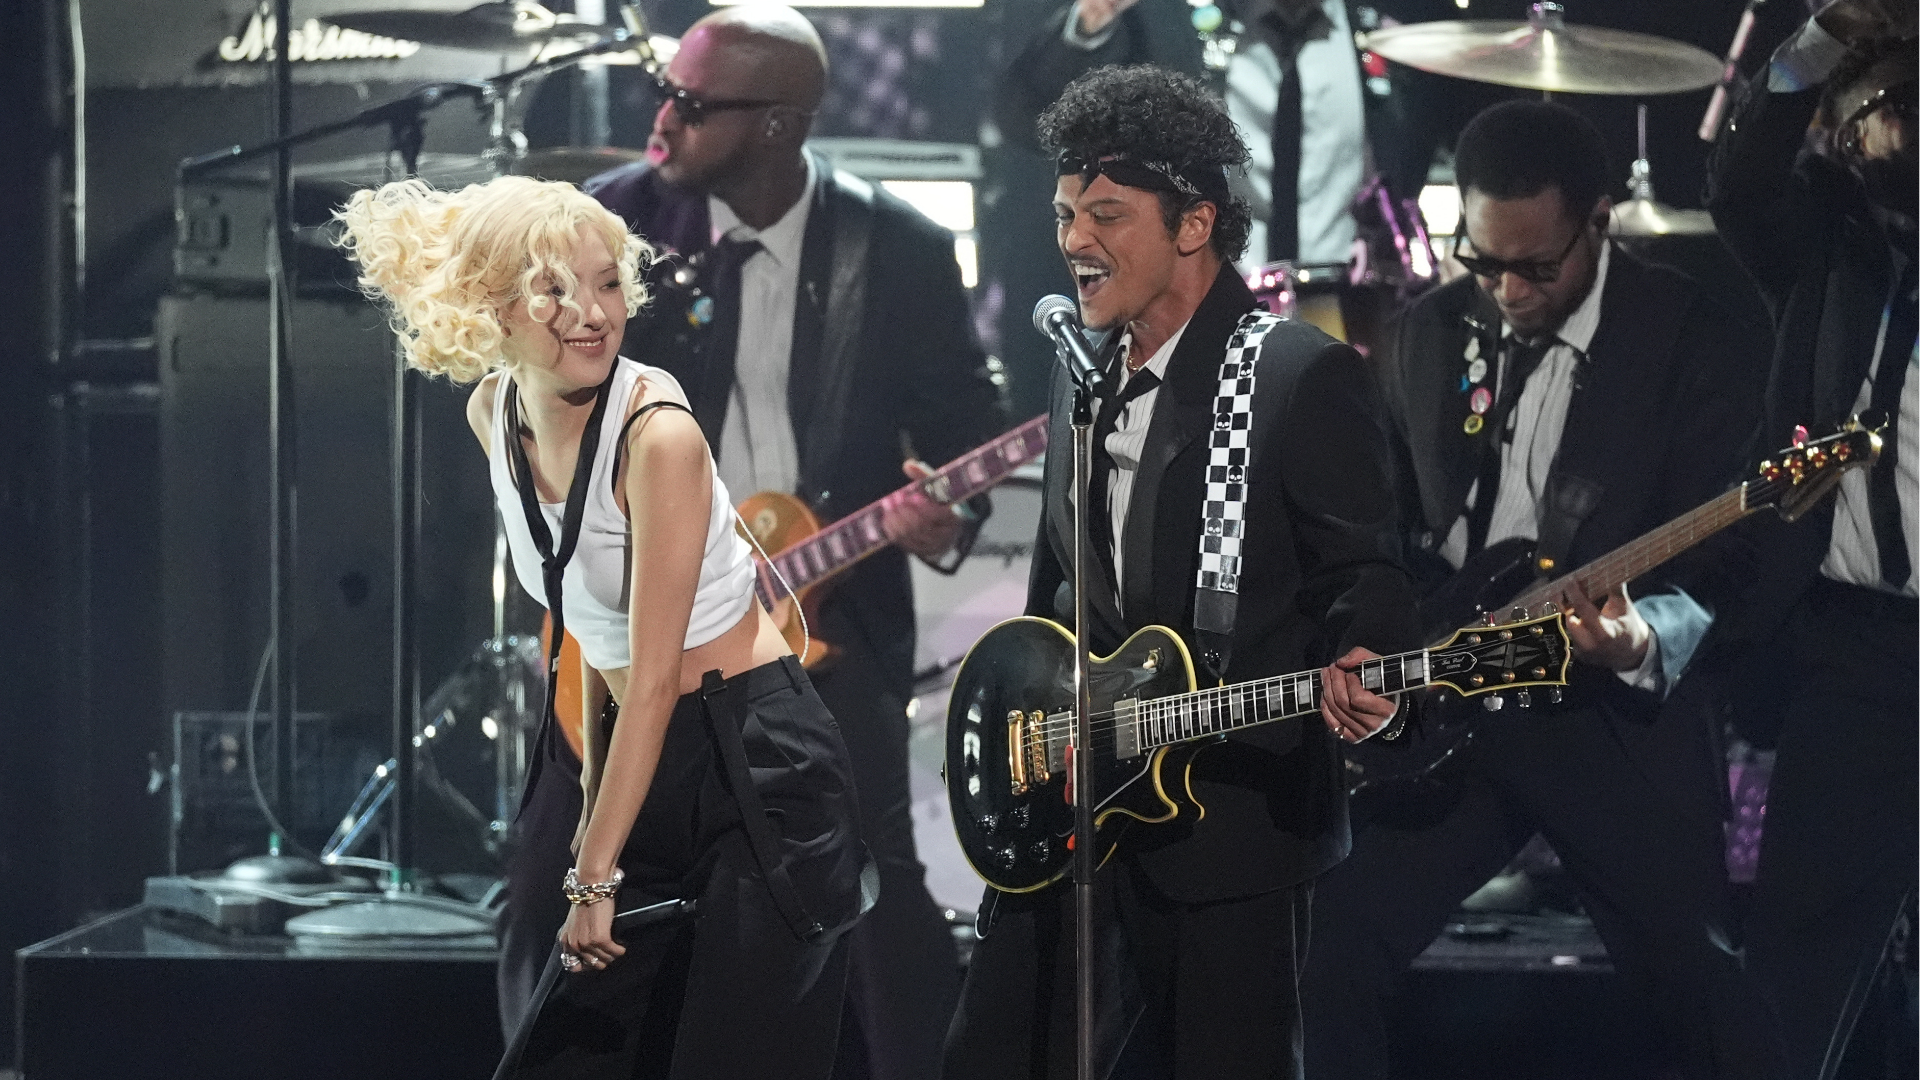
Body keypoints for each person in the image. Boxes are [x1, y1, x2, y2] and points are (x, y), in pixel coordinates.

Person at [944, 64, 1420, 1080]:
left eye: (1107, 216)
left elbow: (1367, 571)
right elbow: (1059, 589)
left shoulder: (1294, 374)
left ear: (1195, 223)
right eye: (1066, 214)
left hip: (1231, 826)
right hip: (1073, 806)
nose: (1074, 241)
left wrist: (1368, 652)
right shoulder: (1081, 372)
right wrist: (1023, 731)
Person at [336, 174, 869, 1078]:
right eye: (553, 289)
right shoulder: (492, 413)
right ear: (491, 305)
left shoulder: (658, 437)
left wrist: (593, 871)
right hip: (645, 754)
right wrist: (591, 804)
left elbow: (655, 676)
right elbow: (583, 619)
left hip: (760, 768)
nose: (592, 313)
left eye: (608, 283)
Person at [1298, 99, 1778, 1079]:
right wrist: (1368, 645)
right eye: (1484, 262)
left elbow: (1731, 555)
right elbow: (1384, 536)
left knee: (1704, 995)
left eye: (1536, 267)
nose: (1508, 291)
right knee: (1324, 944)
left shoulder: (1695, 338)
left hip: (1610, 714)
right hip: (1455, 710)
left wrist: (1641, 639)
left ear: (1600, 222)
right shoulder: (1426, 333)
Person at [582, 8, 1009, 1078]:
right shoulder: (612, 227)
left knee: (874, 891)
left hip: (825, 618)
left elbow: (966, 433)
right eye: (666, 91)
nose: (662, 119)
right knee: (566, 877)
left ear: (777, 125)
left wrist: (942, 516)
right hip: (636, 619)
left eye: (692, 104)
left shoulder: (896, 248)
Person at [1703, 0, 1917, 1073]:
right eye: (1887, 113)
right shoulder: (1823, 246)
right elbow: (1739, 175)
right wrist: (1825, 37)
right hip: (1864, 651)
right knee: (1796, 965)